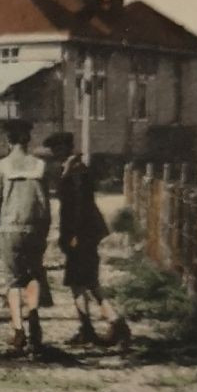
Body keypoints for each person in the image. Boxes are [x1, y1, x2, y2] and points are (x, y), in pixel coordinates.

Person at [45, 131, 131, 348]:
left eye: (58, 149)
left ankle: (95, 327)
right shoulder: (74, 169)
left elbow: (79, 208)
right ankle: (109, 324)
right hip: (83, 235)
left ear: (66, 148)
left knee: (78, 283)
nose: (54, 154)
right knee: (88, 282)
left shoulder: (75, 172)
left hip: (80, 235)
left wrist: (73, 235)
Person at [0, 119, 52, 356]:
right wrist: (45, 230)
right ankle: (34, 316)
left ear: (8, 140)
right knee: (34, 274)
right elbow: (46, 203)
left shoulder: (0, 167)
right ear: (28, 140)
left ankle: (18, 329)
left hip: (9, 228)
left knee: (13, 280)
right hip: (35, 228)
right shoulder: (41, 166)